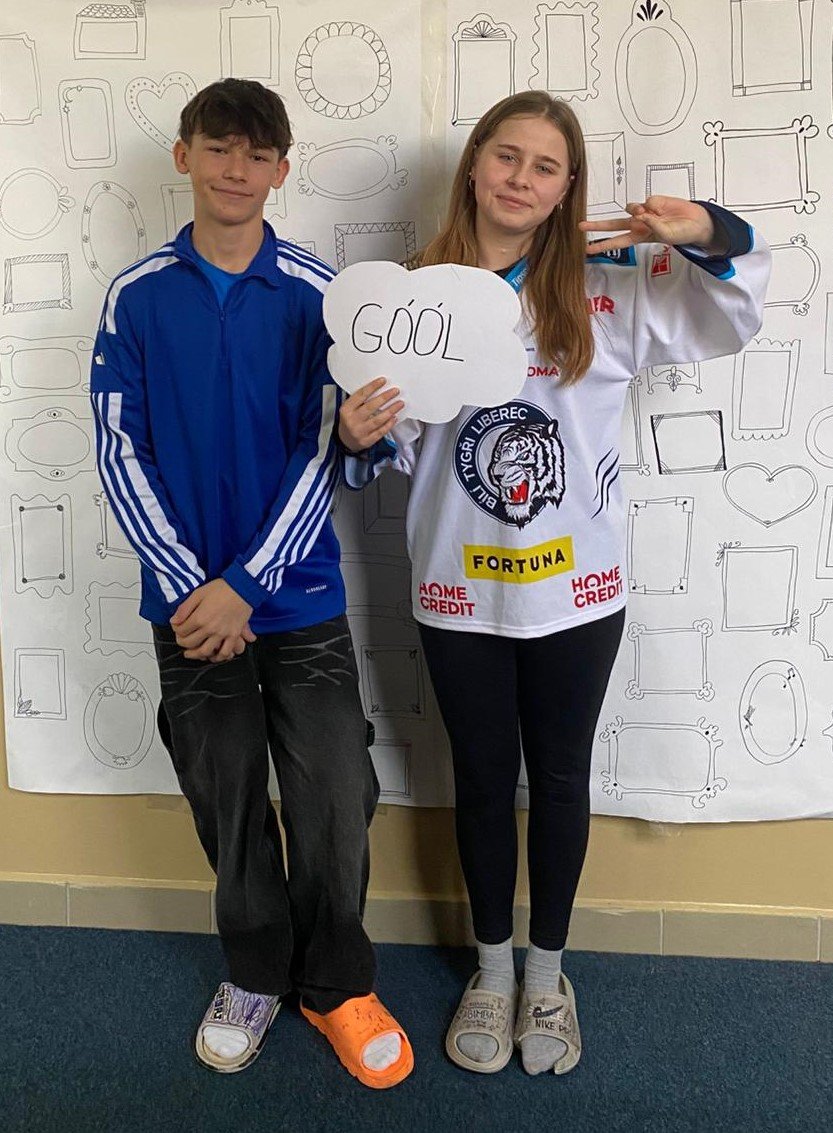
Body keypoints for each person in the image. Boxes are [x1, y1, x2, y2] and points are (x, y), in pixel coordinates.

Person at [338, 90, 769, 1077]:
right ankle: (492, 972)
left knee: (563, 778)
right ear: (475, 165)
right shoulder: (416, 295)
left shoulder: (608, 282)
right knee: (483, 780)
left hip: (578, 590)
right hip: (458, 590)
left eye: (545, 166)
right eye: (507, 156)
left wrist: (705, 228)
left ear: (568, 186)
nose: (521, 179)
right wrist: (356, 436)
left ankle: (548, 974)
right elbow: (388, 445)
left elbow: (732, 307)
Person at [89, 78, 413, 1088]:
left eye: (257, 153)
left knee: (335, 791)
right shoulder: (136, 295)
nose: (237, 169)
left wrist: (250, 580)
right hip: (188, 610)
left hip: (299, 598)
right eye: (219, 147)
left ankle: (337, 983)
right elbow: (119, 449)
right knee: (225, 797)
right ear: (185, 155)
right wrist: (197, 586)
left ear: (282, 168)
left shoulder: (324, 296)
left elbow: (336, 449)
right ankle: (255, 974)